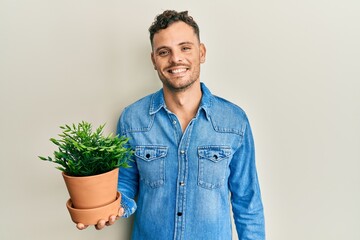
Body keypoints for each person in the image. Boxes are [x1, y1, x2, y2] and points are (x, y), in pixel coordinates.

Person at [78, 10, 265, 239]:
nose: (176, 59)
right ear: (154, 60)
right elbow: (126, 183)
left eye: (185, 48)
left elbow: (247, 202)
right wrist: (111, 208)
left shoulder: (234, 121)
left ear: (202, 52)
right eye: (164, 52)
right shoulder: (132, 119)